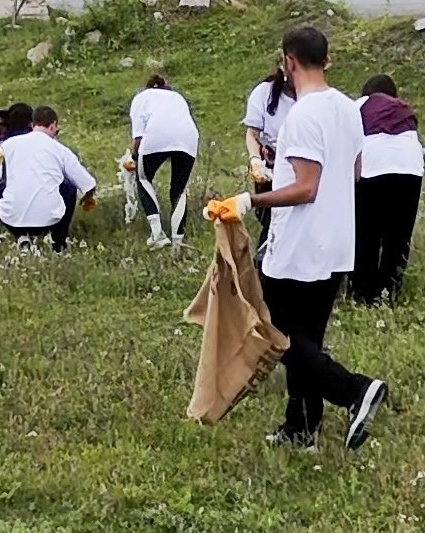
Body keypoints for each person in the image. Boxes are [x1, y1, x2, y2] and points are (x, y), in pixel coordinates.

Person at [205, 26, 388, 451]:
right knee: (307, 338)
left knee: (275, 331)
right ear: (327, 59)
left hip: (302, 245)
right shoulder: (347, 109)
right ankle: (300, 427)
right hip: (338, 242)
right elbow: (355, 173)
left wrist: (250, 201)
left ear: (288, 62)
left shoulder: (303, 116)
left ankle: (354, 391)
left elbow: (307, 187)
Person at [350, 73, 423, 306]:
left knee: (366, 233)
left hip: (373, 168)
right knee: (399, 236)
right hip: (410, 169)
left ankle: (362, 293)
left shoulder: (359, 106)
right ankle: (389, 292)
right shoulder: (403, 109)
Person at [0, 105, 98, 255]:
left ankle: (22, 237)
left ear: (32, 125)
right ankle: (59, 242)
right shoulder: (59, 149)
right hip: (49, 219)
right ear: (53, 126)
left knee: (4, 182)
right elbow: (88, 184)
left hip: (11, 219)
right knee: (69, 187)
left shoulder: (8, 145)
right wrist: (88, 197)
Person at [129, 74, 200, 250]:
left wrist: (134, 157)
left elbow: (138, 137)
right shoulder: (177, 97)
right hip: (188, 138)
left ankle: (157, 234)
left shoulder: (141, 98)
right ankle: (177, 241)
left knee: (143, 179)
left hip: (156, 135)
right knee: (179, 189)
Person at [243, 67, 296, 251]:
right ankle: (264, 264)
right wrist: (255, 160)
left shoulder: (312, 98)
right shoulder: (264, 93)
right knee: (270, 220)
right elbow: (252, 133)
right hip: (271, 169)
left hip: (299, 170)